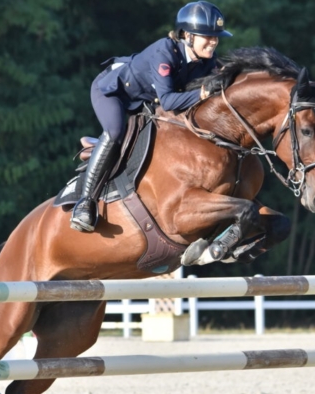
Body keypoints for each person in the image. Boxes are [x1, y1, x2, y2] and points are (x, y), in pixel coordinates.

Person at [70, 1, 233, 232]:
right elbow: (168, 101)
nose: (214, 42)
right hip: (113, 92)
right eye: (207, 36)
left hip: (145, 100)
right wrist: (204, 92)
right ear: (187, 35)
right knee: (115, 132)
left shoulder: (207, 60)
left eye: (216, 37)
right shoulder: (164, 53)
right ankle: (85, 202)